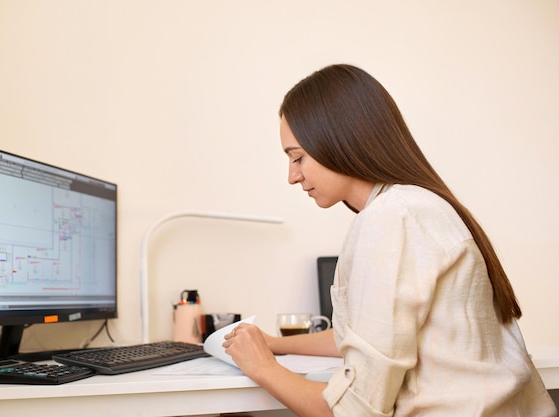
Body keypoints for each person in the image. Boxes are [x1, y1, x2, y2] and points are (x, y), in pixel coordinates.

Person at [222, 64, 556, 417]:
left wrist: (263, 368)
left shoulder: (392, 216)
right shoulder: (415, 205)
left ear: (338, 139)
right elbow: (365, 336)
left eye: (297, 157)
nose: (292, 176)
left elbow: (355, 409)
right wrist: (272, 344)